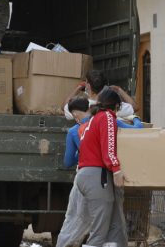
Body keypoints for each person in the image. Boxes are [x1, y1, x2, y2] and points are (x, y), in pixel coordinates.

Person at [58, 95, 141, 247]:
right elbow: (137, 131)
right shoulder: (106, 118)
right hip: (99, 177)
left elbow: (67, 162)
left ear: (75, 114)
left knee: (74, 222)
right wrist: (135, 118)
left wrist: (84, 154)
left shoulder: (78, 130)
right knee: (103, 226)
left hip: (83, 178)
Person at [75, 88, 128, 247]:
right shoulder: (107, 117)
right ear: (116, 105)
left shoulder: (93, 119)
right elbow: (109, 147)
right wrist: (116, 169)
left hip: (86, 175)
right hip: (97, 176)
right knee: (100, 230)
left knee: (112, 226)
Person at [64, 70, 138, 121]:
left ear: (88, 85)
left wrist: (78, 88)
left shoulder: (79, 104)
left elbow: (63, 107)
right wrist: (119, 89)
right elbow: (135, 107)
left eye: (86, 81)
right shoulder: (112, 104)